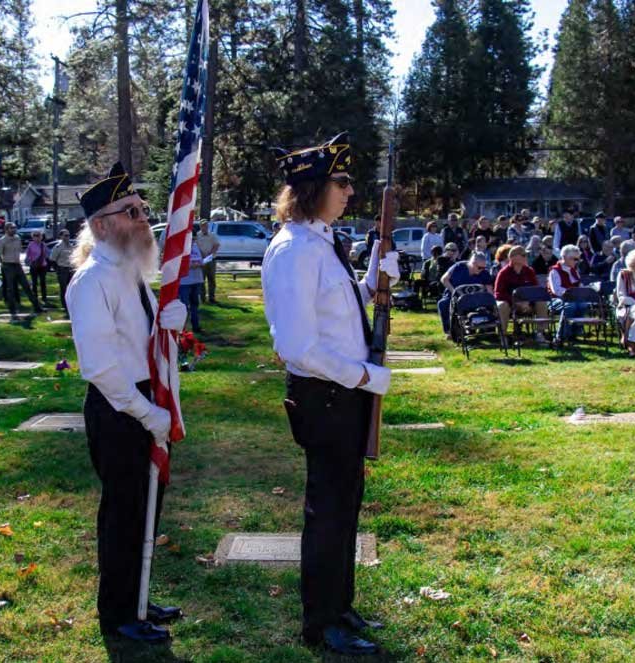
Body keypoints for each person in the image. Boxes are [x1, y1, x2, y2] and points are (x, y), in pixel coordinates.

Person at [263, 133, 399, 656]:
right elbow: (297, 346)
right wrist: (364, 376)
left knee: (346, 506)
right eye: (341, 182)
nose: (349, 191)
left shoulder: (321, 242)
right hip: (325, 396)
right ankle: (321, 622)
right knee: (328, 512)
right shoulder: (295, 250)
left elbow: (337, 313)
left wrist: (373, 278)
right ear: (314, 188)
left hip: (340, 394)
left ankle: (341, 606)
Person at [66, 162, 190, 643]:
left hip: (144, 399)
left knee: (146, 508)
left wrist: (169, 323)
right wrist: (147, 413)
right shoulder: (92, 281)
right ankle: (119, 614)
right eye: (130, 211)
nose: (143, 218)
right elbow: (100, 367)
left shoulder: (130, 272)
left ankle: (137, 594)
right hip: (119, 407)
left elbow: (140, 340)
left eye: (142, 208)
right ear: (101, 226)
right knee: (123, 512)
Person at [494, 246, 547, 344]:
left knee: (541, 302)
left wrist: (528, 302)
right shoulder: (503, 273)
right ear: (513, 258)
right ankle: (503, 336)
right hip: (511, 305)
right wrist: (515, 302)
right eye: (523, 255)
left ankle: (540, 333)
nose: (526, 257)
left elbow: (536, 290)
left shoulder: (529, 271)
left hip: (528, 304)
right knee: (502, 305)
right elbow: (498, 294)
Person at [438, 251, 493, 334]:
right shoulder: (458, 267)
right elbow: (444, 279)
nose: (482, 270)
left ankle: (481, 327)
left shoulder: (484, 273)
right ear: (472, 263)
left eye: (483, 267)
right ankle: (449, 331)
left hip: (475, 298)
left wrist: (491, 301)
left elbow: (489, 291)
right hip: (455, 295)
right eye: (479, 267)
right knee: (443, 303)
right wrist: (454, 292)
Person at [0, 222, 42, 316]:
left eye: (14, 228)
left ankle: (37, 307)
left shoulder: (17, 238)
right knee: (10, 289)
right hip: (8, 265)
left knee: (27, 286)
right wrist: (4, 264)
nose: (14, 229)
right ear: (6, 229)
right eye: (11, 228)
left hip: (17, 265)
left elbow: (20, 250)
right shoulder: (2, 241)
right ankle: (12, 310)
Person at [546, 245, 586, 343]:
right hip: (555, 299)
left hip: (573, 299)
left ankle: (575, 332)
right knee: (570, 306)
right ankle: (561, 335)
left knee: (583, 305)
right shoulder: (555, 271)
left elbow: (579, 285)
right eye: (574, 259)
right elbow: (556, 290)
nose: (576, 262)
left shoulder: (574, 271)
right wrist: (570, 293)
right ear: (564, 257)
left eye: (577, 259)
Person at [178, 230, 204, 332]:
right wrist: (191, 265)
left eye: (193, 239)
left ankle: (195, 326)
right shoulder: (180, 247)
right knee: (184, 306)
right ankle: (182, 329)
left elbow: (200, 259)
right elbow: (178, 263)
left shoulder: (196, 247)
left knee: (195, 304)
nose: (193, 241)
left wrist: (201, 263)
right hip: (185, 282)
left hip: (196, 280)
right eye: (191, 239)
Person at [195, 219, 221, 303]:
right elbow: (195, 246)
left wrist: (210, 254)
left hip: (211, 260)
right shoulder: (197, 235)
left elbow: (216, 245)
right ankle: (202, 298)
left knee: (211, 279)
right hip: (201, 260)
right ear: (200, 226)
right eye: (202, 225)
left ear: (208, 226)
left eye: (205, 225)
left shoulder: (212, 235)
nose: (204, 227)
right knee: (201, 279)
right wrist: (201, 254)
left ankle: (211, 298)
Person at [48, 228, 74, 311]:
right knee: (63, 288)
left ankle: (71, 304)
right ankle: (64, 305)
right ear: (61, 236)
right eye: (66, 235)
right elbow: (52, 259)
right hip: (62, 269)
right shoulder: (58, 247)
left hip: (70, 269)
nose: (67, 237)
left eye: (68, 235)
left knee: (71, 288)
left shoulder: (71, 246)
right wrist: (57, 270)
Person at [25, 230, 50, 306]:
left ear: (41, 237)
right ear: (32, 237)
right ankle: (35, 297)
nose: (37, 237)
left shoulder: (43, 245)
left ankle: (44, 298)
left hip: (42, 266)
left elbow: (47, 254)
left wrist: (44, 258)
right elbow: (27, 256)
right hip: (34, 266)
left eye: (38, 235)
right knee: (34, 282)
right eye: (35, 236)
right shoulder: (30, 245)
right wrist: (31, 261)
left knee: (43, 282)